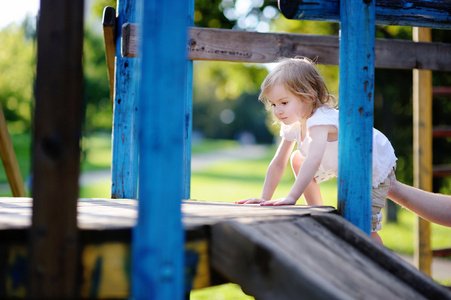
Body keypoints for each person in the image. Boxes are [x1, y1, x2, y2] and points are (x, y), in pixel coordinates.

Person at [235, 57, 397, 244]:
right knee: (297, 158)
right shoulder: (294, 124)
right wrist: (264, 198)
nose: (277, 111)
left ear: (309, 97)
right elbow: (279, 163)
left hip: (372, 165)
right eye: (273, 104)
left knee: (361, 226)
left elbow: (313, 159)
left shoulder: (320, 121)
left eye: (284, 103)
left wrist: (291, 197)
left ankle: (380, 264)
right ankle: (317, 210)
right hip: (345, 162)